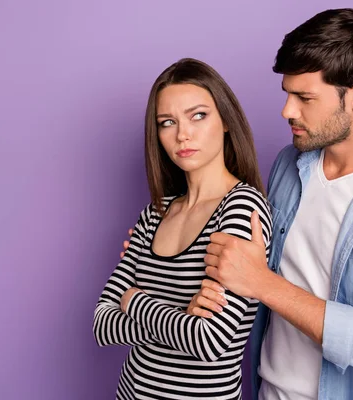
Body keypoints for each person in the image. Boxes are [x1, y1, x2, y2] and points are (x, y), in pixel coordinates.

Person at [180, 8, 353, 400]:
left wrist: (264, 284)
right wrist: (164, 246)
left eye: (305, 97)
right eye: (287, 94)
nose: (287, 111)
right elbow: (246, 256)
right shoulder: (289, 163)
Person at [94, 58, 272, 399]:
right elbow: (102, 325)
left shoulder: (240, 207)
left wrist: (135, 301)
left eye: (198, 115)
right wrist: (180, 316)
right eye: (167, 122)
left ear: (225, 121)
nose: (182, 134)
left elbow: (209, 341)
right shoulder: (155, 213)